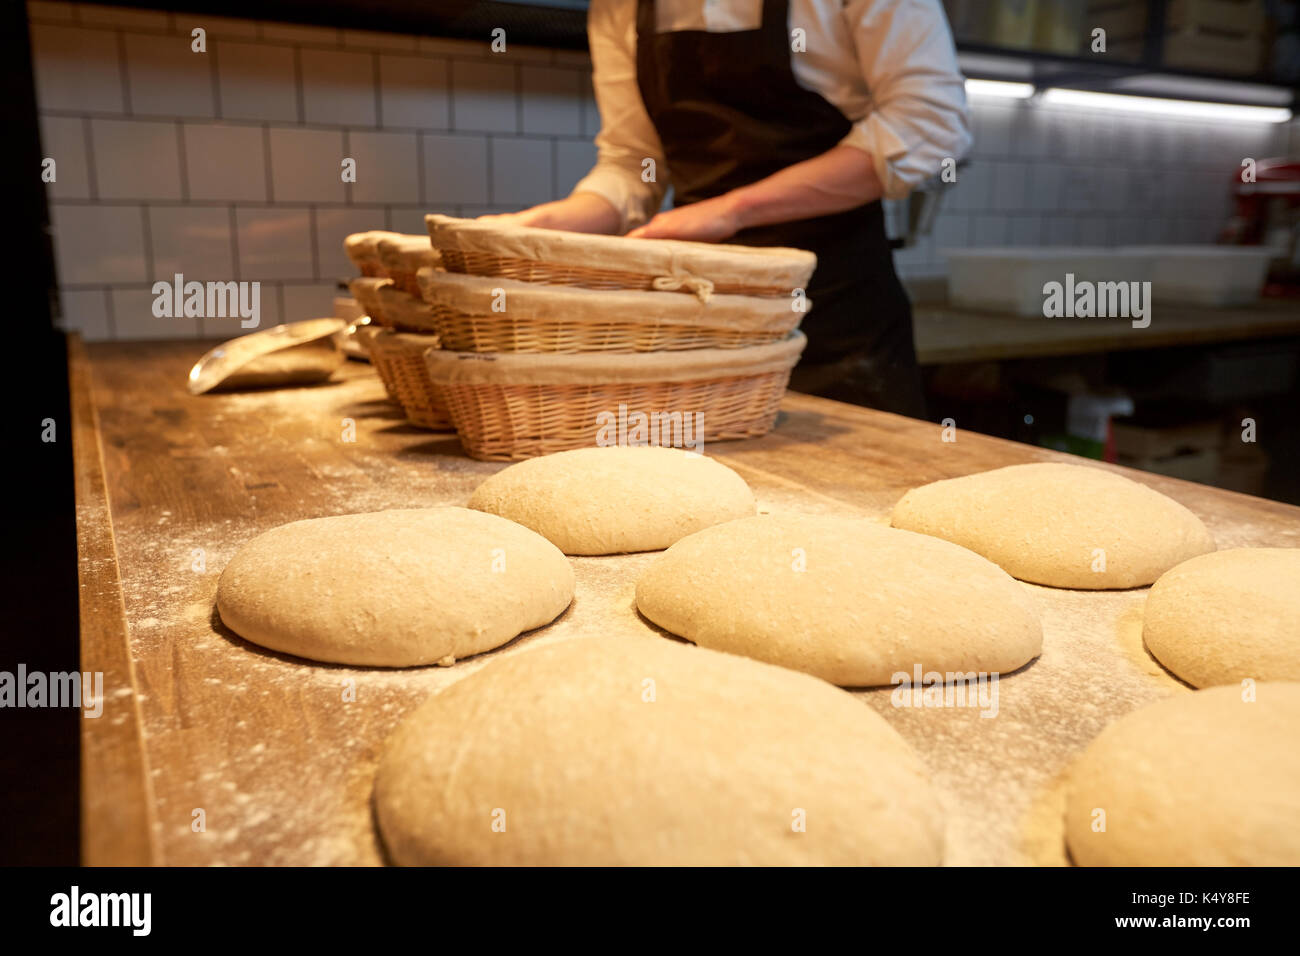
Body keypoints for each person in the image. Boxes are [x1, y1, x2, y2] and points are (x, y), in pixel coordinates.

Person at [487, 0, 971, 417]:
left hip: (839, 325)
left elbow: (929, 129)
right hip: (702, 328)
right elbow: (635, 165)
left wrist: (732, 211)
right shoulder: (621, 6)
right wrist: (544, 227)